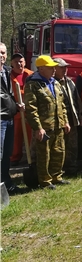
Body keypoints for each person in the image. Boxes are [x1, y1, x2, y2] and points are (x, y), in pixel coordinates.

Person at [24, 56, 70, 190]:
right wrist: (38, 128)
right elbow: (31, 109)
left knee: (59, 151)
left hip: (58, 125)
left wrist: (65, 121)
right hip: (44, 127)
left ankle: (56, 177)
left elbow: (62, 104)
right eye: (50, 67)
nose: (53, 69)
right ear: (41, 69)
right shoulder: (33, 84)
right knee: (44, 155)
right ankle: (45, 180)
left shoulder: (55, 83)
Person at [53, 58, 82, 174]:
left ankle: (72, 167)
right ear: (54, 68)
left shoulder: (70, 82)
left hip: (72, 118)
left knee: (72, 145)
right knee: (59, 146)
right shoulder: (52, 83)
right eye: (61, 67)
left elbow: (77, 100)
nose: (65, 70)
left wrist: (81, 115)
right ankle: (58, 170)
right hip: (58, 121)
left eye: (65, 67)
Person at [1, 43, 22, 194]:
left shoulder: (7, 72)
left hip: (9, 117)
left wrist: (16, 104)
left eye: (3, 53)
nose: (1, 55)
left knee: (7, 152)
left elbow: (8, 94)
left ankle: (6, 182)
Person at [9, 53, 33, 165]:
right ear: (12, 64)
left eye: (21, 61)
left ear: (25, 62)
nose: (19, 64)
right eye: (16, 62)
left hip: (29, 111)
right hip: (15, 112)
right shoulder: (8, 76)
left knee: (30, 136)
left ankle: (30, 157)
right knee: (15, 136)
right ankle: (14, 158)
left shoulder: (31, 75)